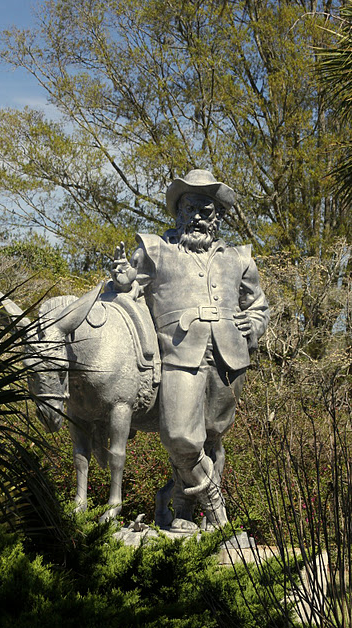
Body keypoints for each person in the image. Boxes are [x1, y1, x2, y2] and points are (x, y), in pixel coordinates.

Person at [111, 169, 269, 531]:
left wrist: (254, 323)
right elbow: (129, 285)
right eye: (189, 208)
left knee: (212, 435)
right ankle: (215, 505)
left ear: (217, 216)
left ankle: (183, 512)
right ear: (178, 213)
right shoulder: (155, 250)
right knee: (181, 435)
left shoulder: (239, 257)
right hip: (179, 352)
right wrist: (122, 280)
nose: (197, 216)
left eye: (205, 209)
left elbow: (258, 304)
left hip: (229, 355)